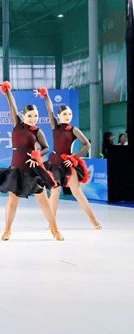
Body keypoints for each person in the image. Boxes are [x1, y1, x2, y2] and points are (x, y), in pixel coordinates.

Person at [0, 81, 63, 241]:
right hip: (16, 170)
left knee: (43, 201)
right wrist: (7, 91)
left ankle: (55, 230)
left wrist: (37, 155)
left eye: (35, 116)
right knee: (12, 202)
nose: (33, 119)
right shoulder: (17, 124)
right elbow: (12, 105)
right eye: (30, 116)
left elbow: (46, 148)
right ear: (23, 116)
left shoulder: (37, 131)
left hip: (32, 170)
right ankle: (7, 230)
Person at [37, 88, 101, 229]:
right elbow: (49, 109)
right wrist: (45, 95)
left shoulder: (73, 130)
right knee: (55, 192)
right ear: (59, 116)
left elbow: (87, 145)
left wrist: (74, 157)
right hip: (54, 163)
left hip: (67, 163)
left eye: (69, 114)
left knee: (77, 192)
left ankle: (94, 221)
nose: (67, 116)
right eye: (65, 114)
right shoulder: (55, 126)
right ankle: (52, 224)